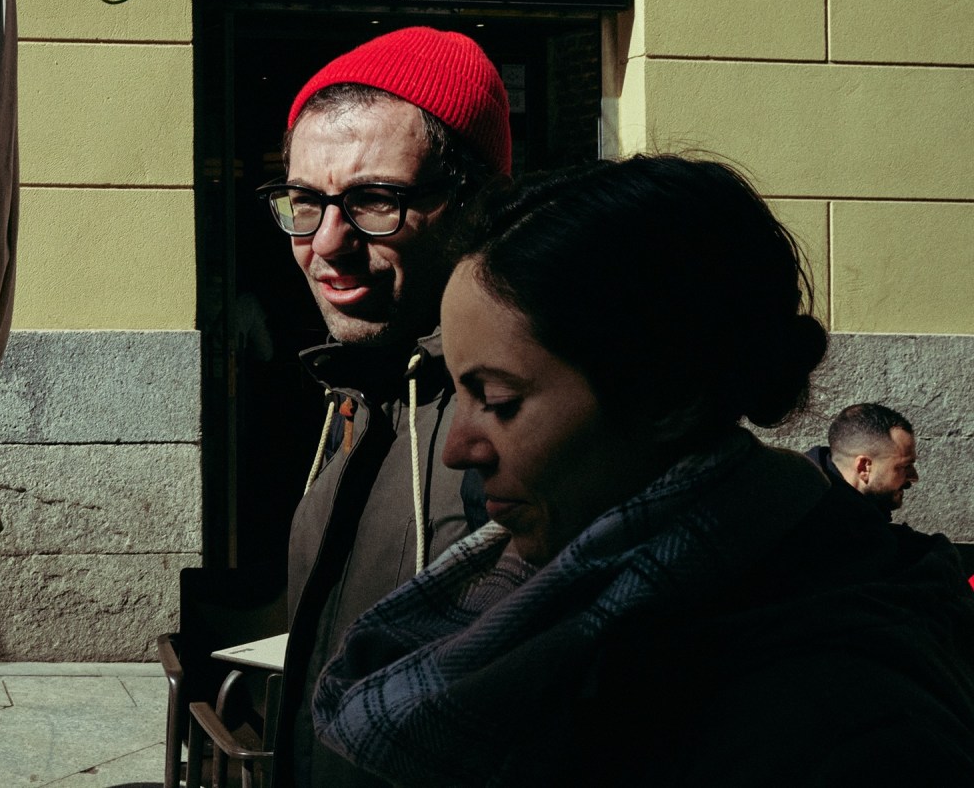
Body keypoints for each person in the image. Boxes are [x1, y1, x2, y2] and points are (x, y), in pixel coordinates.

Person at [310, 155, 974, 786]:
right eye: (461, 393)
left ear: (668, 396)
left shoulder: (842, 729)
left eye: (500, 401)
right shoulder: (588, 615)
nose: (458, 448)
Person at [260, 27, 510, 787]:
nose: (326, 245)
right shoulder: (359, 394)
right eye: (304, 202)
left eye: (373, 202)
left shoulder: (527, 419)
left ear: (476, 205)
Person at [807, 402, 918, 517]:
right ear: (864, 467)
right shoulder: (833, 527)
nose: (914, 477)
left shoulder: (811, 496)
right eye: (905, 466)